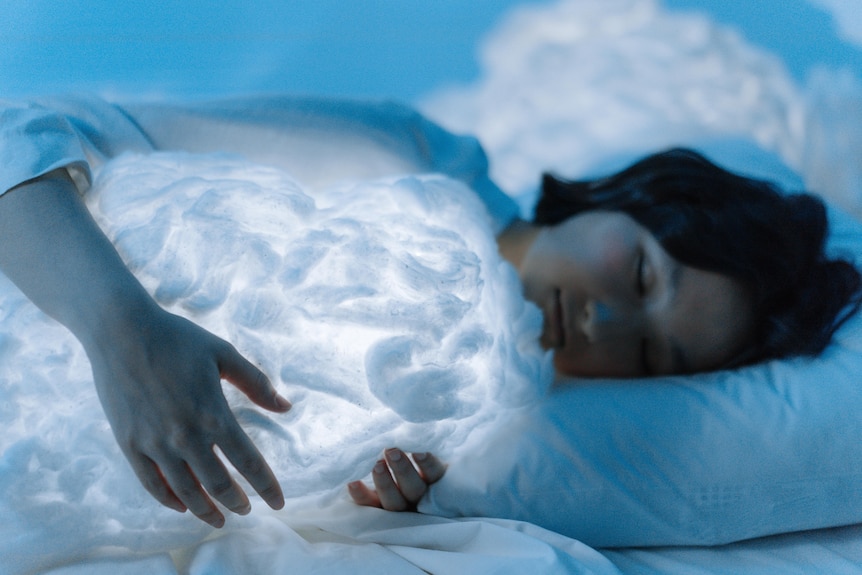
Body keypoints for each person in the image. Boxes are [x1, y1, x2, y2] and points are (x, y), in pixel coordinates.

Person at [1, 96, 859, 523]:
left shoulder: (475, 430)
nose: (608, 327)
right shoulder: (409, 160)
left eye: (647, 358)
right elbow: (28, 129)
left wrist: (359, 511)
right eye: (641, 275)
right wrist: (121, 327)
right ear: (623, 197)